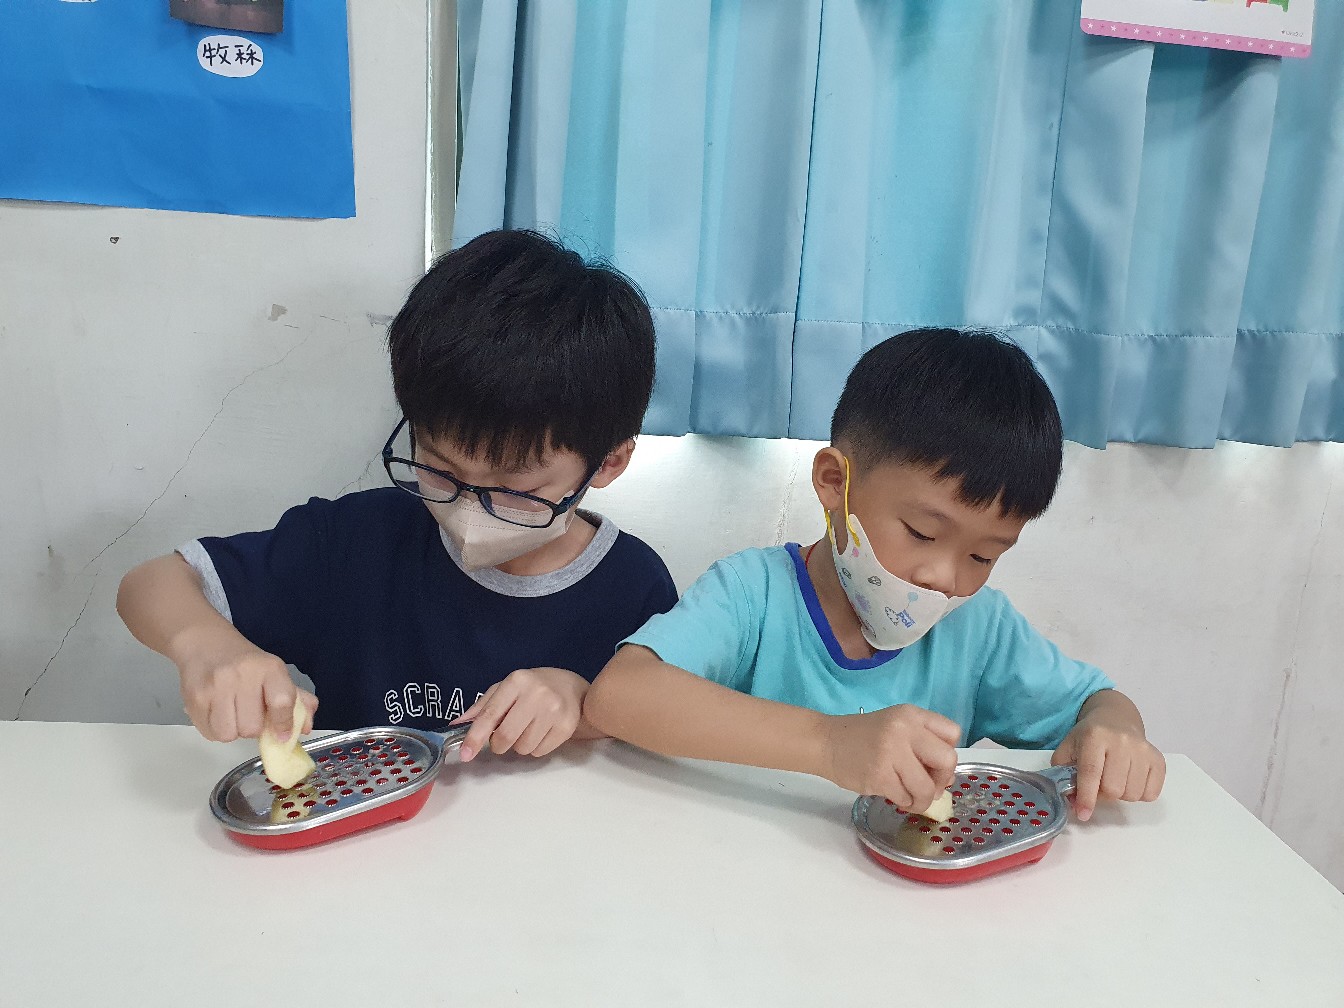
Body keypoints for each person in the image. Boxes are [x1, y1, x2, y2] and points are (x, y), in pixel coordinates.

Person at [118, 229, 676, 764]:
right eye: (439, 468)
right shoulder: (358, 543)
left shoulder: (633, 588)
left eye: (515, 490)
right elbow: (152, 583)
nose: (467, 511)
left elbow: (664, 727)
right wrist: (205, 646)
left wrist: (586, 705)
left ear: (608, 462)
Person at [585, 328, 1164, 821]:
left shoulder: (980, 629)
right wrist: (829, 744)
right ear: (835, 482)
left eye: (983, 557)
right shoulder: (753, 594)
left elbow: (1098, 703)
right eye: (922, 533)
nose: (945, 578)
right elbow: (619, 695)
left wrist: (1114, 732)